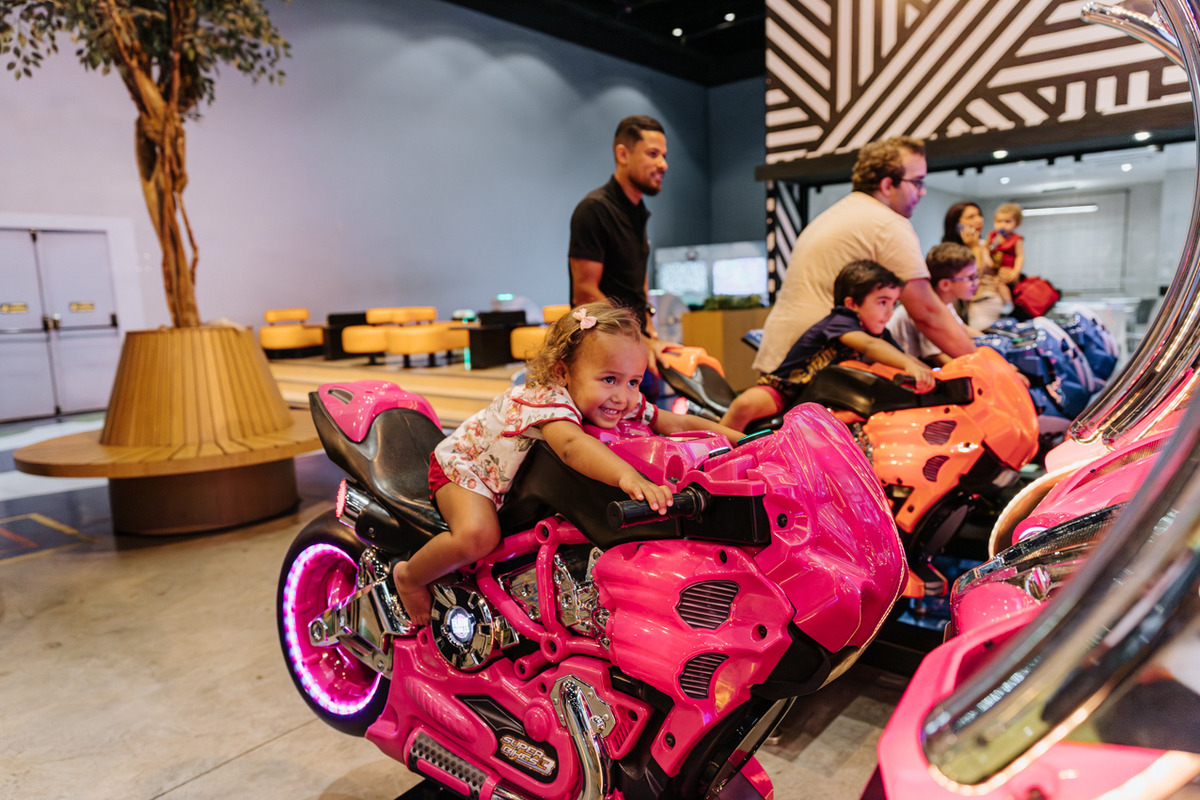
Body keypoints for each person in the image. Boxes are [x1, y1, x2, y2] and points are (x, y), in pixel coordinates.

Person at [392, 302, 744, 624]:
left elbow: (675, 422)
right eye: (609, 379)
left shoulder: (616, 399)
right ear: (562, 373)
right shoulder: (547, 399)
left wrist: (740, 439)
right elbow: (573, 447)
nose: (623, 396)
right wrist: (629, 477)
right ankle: (410, 576)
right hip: (465, 468)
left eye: (633, 382)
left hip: (511, 477)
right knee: (477, 537)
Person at [755, 136, 975, 376]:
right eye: (917, 182)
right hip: (816, 367)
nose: (922, 192)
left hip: (784, 357)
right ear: (887, 185)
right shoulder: (887, 223)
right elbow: (928, 313)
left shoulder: (839, 213)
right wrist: (982, 365)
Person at [721, 261, 935, 432]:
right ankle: (714, 454)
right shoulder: (842, 320)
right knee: (745, 404)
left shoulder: (879, 333)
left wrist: (929, 373)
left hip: (822, 400)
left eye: (893, 303)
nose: (889, 312)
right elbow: (870, 346)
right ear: (852, 304)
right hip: (787, 392)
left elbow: (900, 357)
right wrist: (910, 365)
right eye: (882, 302)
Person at [569, 116, 670, 392]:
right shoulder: (594, 210)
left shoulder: (638, 213)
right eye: (653, 154)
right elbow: (584, 292)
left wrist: (649, 329)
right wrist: (636, 338)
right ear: (623, 154)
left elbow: (638, 278)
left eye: (664, 156)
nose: (663, 164)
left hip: (634, 348)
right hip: (604, 360)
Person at [888, 243, 983, 365]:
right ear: (945, 284)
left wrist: (994, 342)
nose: (977, 282)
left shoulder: (945, 302)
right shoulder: (927, 311)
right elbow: (938, 357)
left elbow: (962, 328)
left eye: (976, 275)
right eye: (970, 278)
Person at [942, 202, 1004, 330]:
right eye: (971, 217)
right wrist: (974, 248)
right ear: (957, 225)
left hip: (998, 304)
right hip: (978, 308)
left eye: (979, 215)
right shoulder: (951, 252)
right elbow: (974, 279)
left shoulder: (985, 244)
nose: (978, 220)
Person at [988, 202, 1025, 289]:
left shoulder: (1016, 239)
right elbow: (986, 249)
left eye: (1007, 221)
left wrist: (1016, 272)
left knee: (1002, 285)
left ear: (1017, 223)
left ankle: (1008, 298)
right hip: (994, 269)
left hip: (1008, 270)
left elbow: (1020, 256)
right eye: (999, 221)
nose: (1002, 225)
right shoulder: (992, 235)